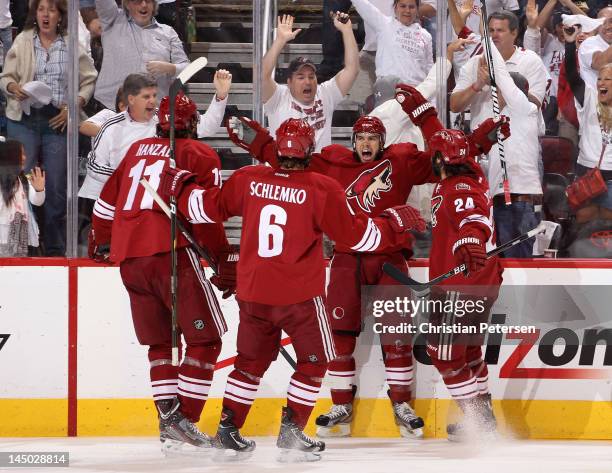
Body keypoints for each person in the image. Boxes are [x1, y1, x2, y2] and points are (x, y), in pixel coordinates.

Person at [225, 86, 508, 438]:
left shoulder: (401, 161)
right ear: (353, 140)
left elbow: (446, 157)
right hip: (347, 258)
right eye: (360, 137)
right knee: (340, 334)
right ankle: (341, 402)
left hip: (389, 260)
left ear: (382, 140)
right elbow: (291, 162)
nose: (366, 143)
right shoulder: (330, 161)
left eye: (373, 137)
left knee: (396, 333)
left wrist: (476, 143)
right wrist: (262, 145)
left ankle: (401, 403)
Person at [159, 117, 426, 461]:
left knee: (248, 365)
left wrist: (179, 188)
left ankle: (228, 429)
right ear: (309, 150)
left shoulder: (248, 178)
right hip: (299, 297)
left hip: (254, 293)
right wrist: (393, 223)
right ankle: (293, 433)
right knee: (315, 363)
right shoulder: (320, 187)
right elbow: (358, 237)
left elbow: (203, 208)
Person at [89, 91, 234, 454]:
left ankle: (168, 421)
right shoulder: (200, 154)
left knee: (161, 344)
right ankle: (182, 419)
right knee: (206, 340)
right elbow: (206, 215)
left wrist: (102, 243)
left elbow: (105, 205)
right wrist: (223, 262)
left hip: (130, 260)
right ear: (194, 123)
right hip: (170, 256)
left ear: (160, 122)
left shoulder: (136, 151)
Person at [0, 0, 97, 256]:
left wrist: (73, 106)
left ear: (60, 15)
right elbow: (6, 77)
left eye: (51, 10)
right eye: (42, 9)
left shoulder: (71, 43)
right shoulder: (23, 39)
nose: (46, 14)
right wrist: (14, 89)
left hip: (58, 120)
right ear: (36, 14)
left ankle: (55, 249)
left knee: (55, 189)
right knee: (21, 183)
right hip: (24, 119)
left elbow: (88, 81)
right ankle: (25, 245)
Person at [425, 128, 504, 441]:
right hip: (481, 283)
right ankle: (484, 417)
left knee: (443, 354)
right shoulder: (472, 177)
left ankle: (479, 422)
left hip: (458, 285)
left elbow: (473, 218)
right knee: (469, 352)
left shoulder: (457, 186)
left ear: (441, 158)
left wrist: (470, 238)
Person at [262, 14, 359, 152]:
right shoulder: (278, 97)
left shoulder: (325, 94)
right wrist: (280, 41)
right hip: (286, 168)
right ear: (289, 82)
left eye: (311, 76)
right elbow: (262, 76)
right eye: (301, 77)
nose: (307, 81)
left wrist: (347, 30)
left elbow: (352, 69)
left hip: (318, 170)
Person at [485, 37, 543, 257]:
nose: (498, 94)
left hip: (519, 202)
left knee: (518, 268)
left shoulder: (525, 109)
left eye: (501, 90)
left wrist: (486, 39)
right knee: (505, 270)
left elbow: (500, 73)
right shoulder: (498, 118)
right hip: (501, 202)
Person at [450, 11, 549, 130]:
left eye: (500, 30)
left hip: (520, 138)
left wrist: (496, 82)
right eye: (491, 30)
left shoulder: (531, 60)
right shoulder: (475, 63)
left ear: (514, 33)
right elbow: (455, 106)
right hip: (483, 141)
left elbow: (535, 105)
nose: (494, 35)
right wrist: (477, 86)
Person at [93, 0, 189, 110]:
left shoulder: (168, 33)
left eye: (148, 1)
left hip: (153, 110)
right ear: (127, 4)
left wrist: (171, 68)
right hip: (112, 107)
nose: (143, 5)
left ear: (154, 5)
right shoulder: (112, 19)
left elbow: (187, 68)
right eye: (138, 1)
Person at [564, 26, 612, 223]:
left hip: (611, 174)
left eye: (608, 79)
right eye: (599, 78)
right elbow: (573, 77)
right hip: (587, 170)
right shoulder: (590, 97)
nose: (601, 82)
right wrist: (569, 45)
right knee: (583, 220)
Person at [351, 0, 433, 87]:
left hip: (416, 92)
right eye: (403, 6)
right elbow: (361, 4)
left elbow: (430, 70)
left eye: (411, 7)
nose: (407, 11)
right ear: (395, 8)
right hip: (388, 91)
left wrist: (433, 100)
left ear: (417, 10)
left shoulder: (426, 36)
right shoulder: (383, 24)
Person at [0, 138, 45, 257]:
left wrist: (39, 189)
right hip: (3, 238)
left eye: (24, 154)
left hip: (21, 239)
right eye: (21, 154)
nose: (24, 158)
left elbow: (37, 202)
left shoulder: (25, 179)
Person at [577, 6, 612, 90]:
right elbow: (599, 63)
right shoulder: (589, 43)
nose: (608, 27)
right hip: (596, 101)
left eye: (611, 21)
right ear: (596, 26)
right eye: (602, 23)